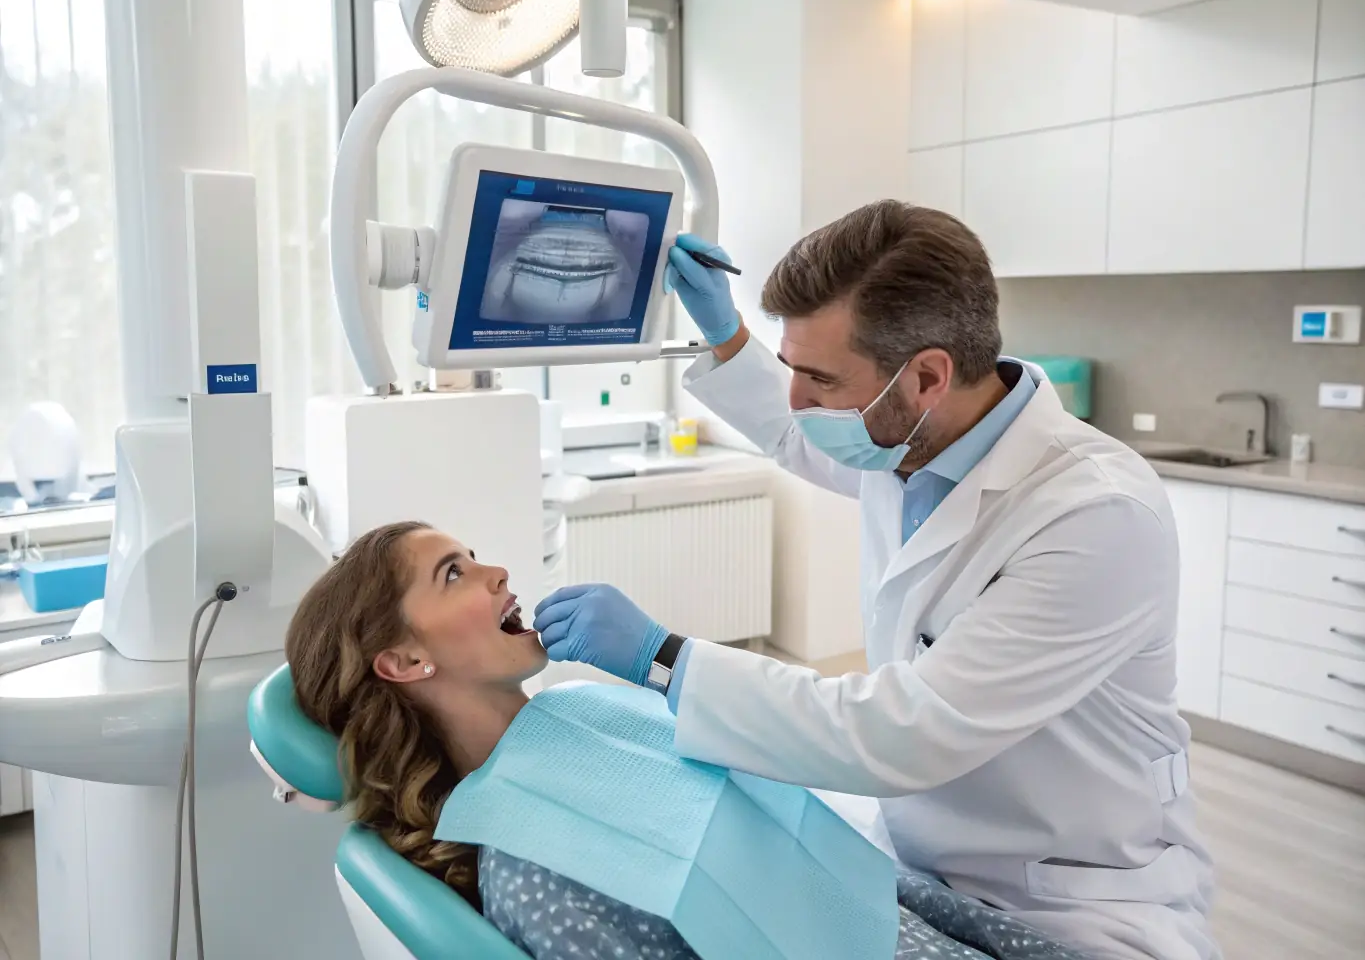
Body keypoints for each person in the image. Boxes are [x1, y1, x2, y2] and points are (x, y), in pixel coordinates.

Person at [533, 201, 1220, 960]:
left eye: (819, 377)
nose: (798, 401)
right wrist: (727, 334)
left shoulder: (1093, 514)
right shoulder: (907, 441)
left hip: (1067, 889)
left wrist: (663, 657)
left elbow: (906, 730)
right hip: (915, 858)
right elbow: (792, 432)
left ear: (926, 377)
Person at [286, 520, 1092, 960]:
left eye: (472, 555)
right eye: (453, 575)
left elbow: (829, 858)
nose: (497, 571)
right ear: (403, 660)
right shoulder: (529, 875)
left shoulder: (600, 715)